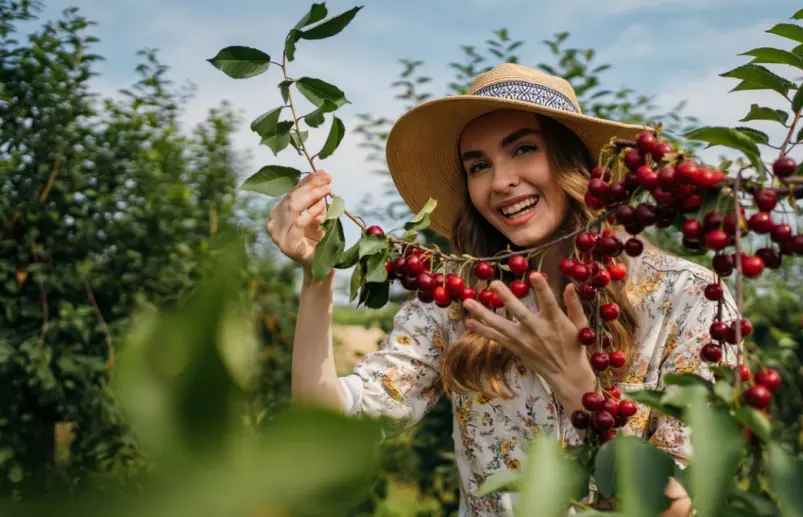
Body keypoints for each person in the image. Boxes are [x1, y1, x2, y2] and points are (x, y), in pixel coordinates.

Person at [265, 63, 740, 517]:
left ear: (574, 161)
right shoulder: (461, 302)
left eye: (523, 149)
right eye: (477, 167)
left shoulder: (688, 298)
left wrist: (579, 390)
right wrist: (318, 275)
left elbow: (683, 503)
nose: (501, 182)